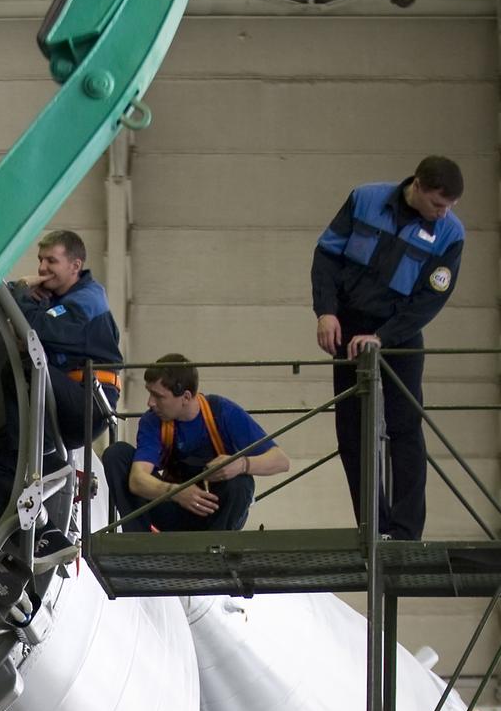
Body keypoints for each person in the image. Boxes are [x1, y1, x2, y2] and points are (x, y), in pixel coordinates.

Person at [312, 155, 464, 541]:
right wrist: (325, 313)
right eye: (438, 204)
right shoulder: (365, 200)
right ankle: (373, 527)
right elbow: (326, 256)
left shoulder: (451, 234)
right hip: (348, 331)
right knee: (351, 432)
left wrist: (385, 337)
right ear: (418, 186)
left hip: (400, 333)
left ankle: (406, 530)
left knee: (405, 428)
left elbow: (431, 299)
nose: (443, 213)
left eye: (449, 207)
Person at [0, 230, 121, 569]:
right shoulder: (57, 300)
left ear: (75, 265)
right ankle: (44, 535)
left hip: (85, 403)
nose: (42, 268)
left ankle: (48, 458)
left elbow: (38, 331)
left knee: (23, 370)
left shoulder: (88, 301)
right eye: (40, 261)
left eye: (51, 261)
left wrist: (22, 292)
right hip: (55, 402)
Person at [103, 353, 289, 533]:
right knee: (117, 454)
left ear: (185, 397)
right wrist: (176, 492)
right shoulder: (153, 421)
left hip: (214, 515)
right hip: (173, 509)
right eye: (150, 394)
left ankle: (216, 549)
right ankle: (139, 543)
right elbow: (137, 480)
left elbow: (281, 461)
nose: (150, 402)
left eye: (158, 396)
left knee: (241, 482)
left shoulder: (222, 412)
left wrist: (241, 464)